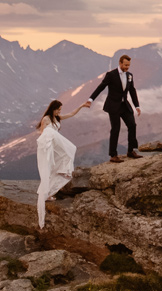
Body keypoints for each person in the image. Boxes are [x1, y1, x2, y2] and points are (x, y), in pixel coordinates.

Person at [34, 95, 89, 228]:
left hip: (56, 144)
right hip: (49, 144)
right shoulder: (46, 119)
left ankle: (59, 176)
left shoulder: (57, 118)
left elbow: (71, 114)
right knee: (50, 167)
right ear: (53, 109)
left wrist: (81, 106)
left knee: (69, 151)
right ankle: (47, 192)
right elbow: (42, 133)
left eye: (60, 110)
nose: (59, 112)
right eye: (58, 110)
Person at [90, 54, 141, 162]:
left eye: (129, 65)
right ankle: (113, 155)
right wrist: (91, 100)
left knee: (132, 125)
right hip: (113, 106)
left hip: (124, 105)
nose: (127, 67)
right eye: (125, 65)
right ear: (120, 63)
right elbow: (101, 87)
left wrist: (137, 105)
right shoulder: (111, 75)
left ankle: (131, 151)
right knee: (115, 129)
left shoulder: (129, 75)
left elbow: (132, 90)